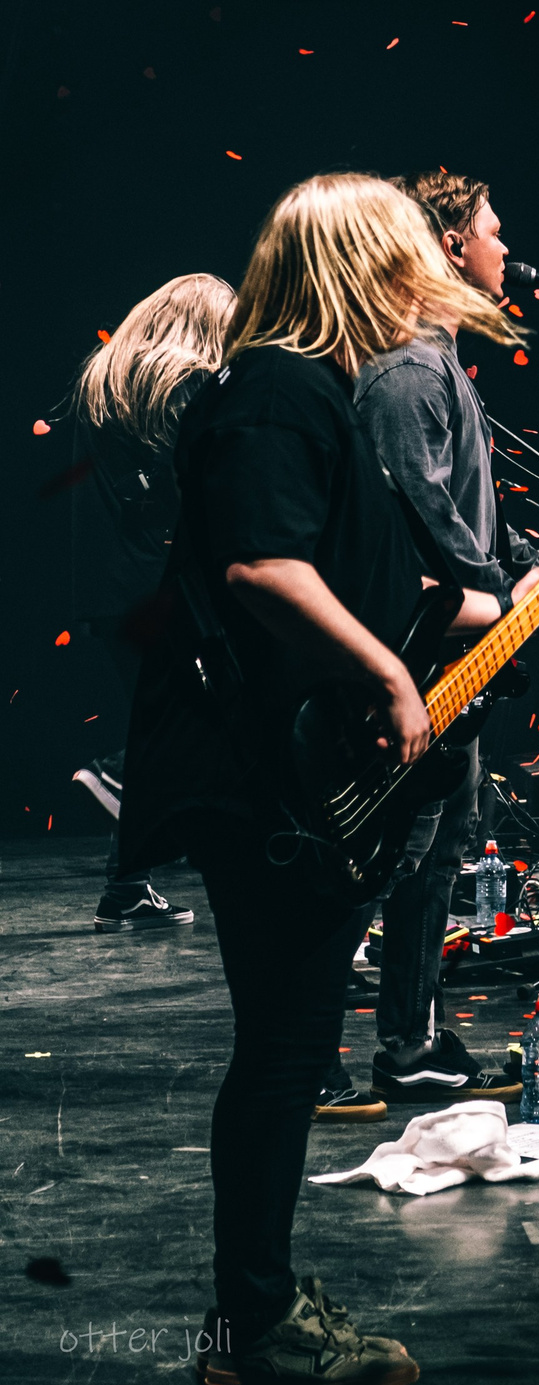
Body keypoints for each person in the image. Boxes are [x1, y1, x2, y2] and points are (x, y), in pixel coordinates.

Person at [114, 172, 539, 1385]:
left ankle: (259, 1315)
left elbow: (371, 578)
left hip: (295, 773)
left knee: (286, 1049)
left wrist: (520, 605)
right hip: (263, 782)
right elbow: (264, 572)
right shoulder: (278, 389)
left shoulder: (311, 391)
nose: (425, 273)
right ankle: (254, 1332)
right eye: (403, 256)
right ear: (359, 263)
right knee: (281, 1054)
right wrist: (390, 677)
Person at [354, 170, 539, 1110]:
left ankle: (412, 1039)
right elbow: (426, 537)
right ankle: (335, 1044)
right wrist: (515, 591)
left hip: (461, 658)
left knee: (436, 851)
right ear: (453, 247)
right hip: (423, 661)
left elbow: (472, 528)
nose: (510, 247)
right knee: (395, 853)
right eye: (495, 230)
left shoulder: (441, 369)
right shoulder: (407, 374)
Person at [65, 273, 236, 930]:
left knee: (168, 712)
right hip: (158, 584)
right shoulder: (184, 384)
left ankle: (125, 885)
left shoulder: (104, 381)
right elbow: (189, 489)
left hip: (108, 590)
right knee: (191, 720)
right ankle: (118, 773)